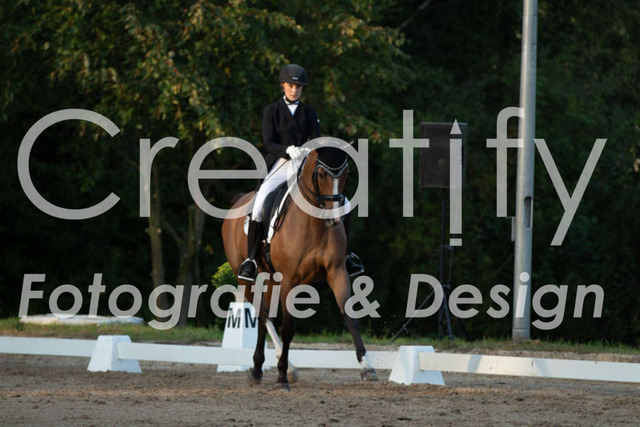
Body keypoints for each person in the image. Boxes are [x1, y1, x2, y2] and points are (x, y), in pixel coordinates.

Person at [238, 64, 364, 282]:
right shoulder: (272, 111)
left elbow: (316, 138)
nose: (294, 90)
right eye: (290, 86)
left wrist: (312, 149)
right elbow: (268, 142)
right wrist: (287, 150)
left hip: (306, 163)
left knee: (344, 202)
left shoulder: (309, 112)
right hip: (281, 162)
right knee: (258, 204)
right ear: (283, 86)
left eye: (298, 87)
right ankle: (251, 259)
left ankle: (347, 254)